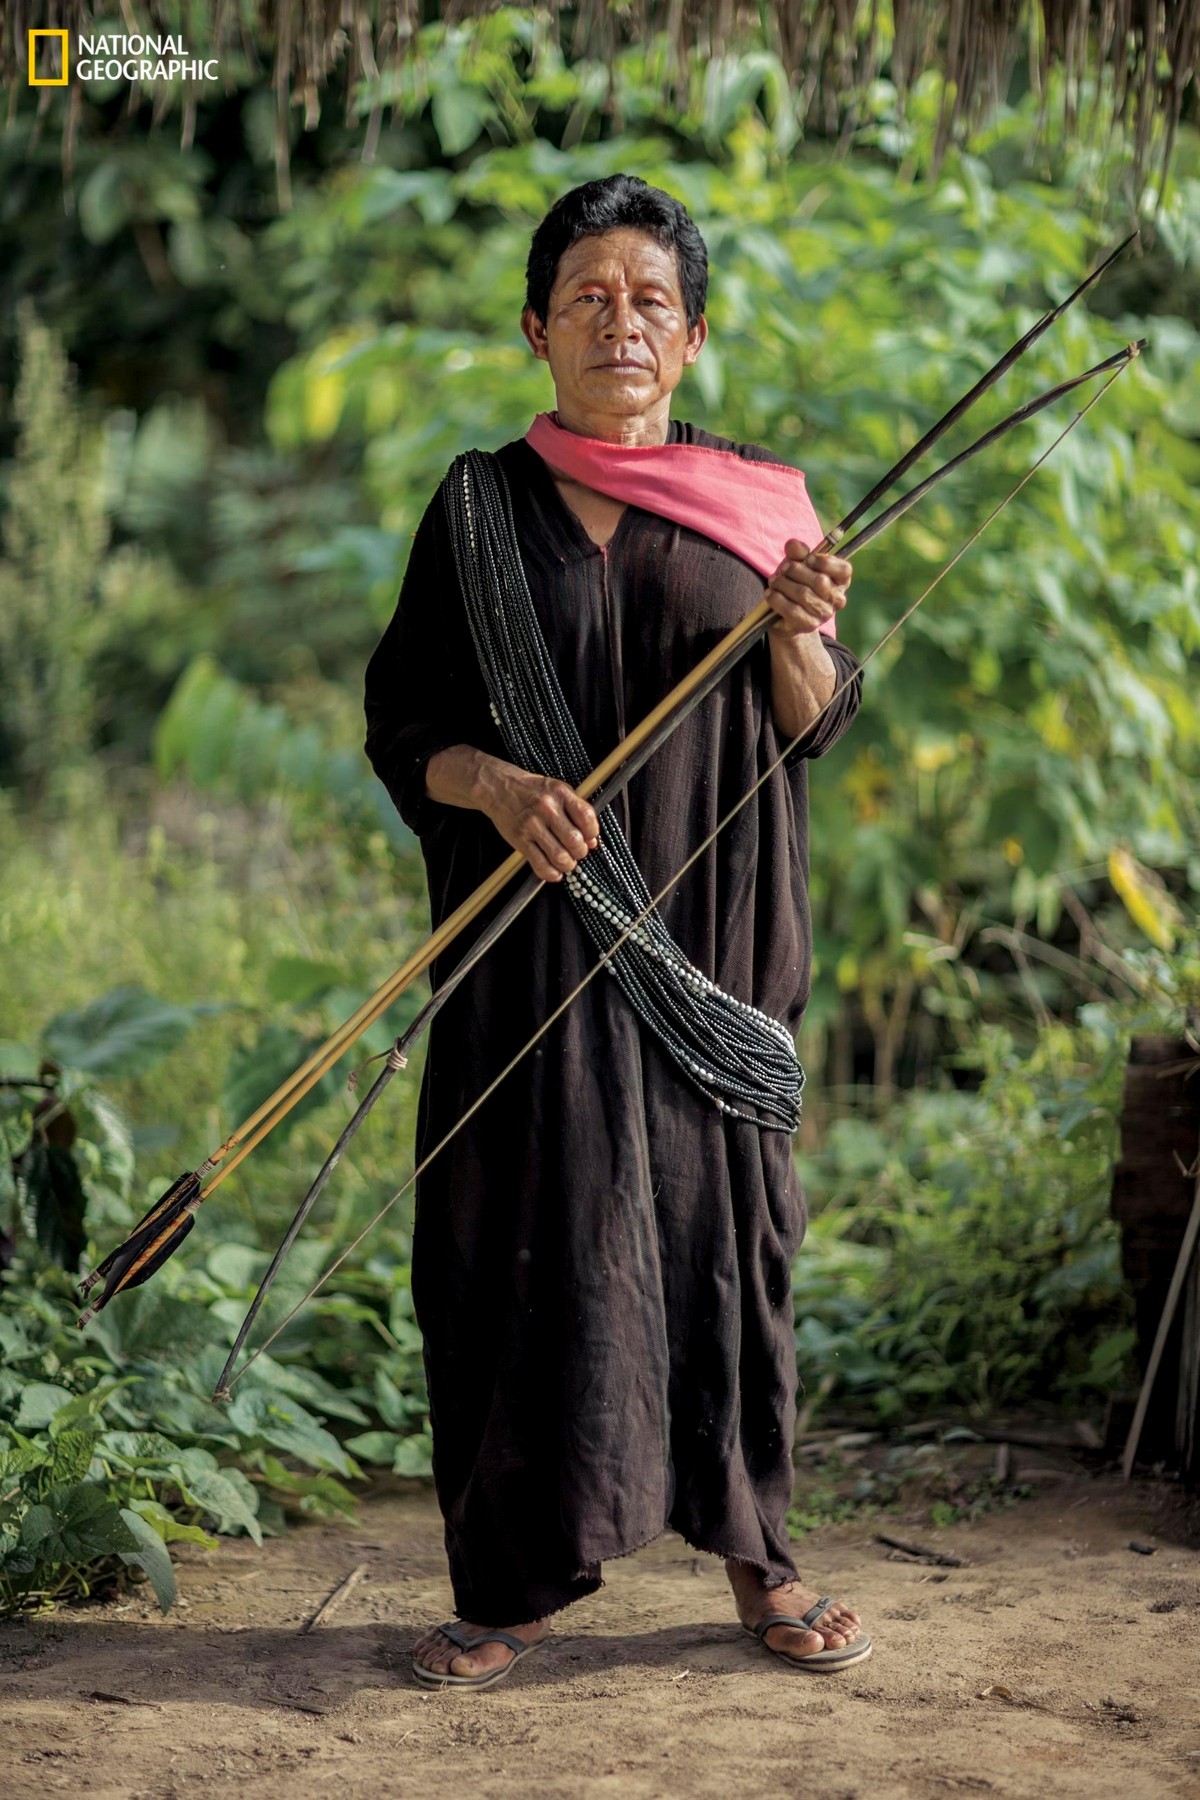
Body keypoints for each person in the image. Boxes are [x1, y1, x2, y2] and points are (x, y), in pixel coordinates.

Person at [363, 174, 870, 1689]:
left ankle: (759, 1563)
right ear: (537, 327)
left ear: (694, 337)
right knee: (513, 1247)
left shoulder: (767, 515)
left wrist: (798, 635)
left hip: (708, 956)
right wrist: (498, 785)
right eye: (587, 294)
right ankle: (512, 1579)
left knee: (732, 1251)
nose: (619, 319)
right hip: (527, 958)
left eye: (651, 297)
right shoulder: (475, 509)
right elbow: (408, 733)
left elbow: (814, 720)